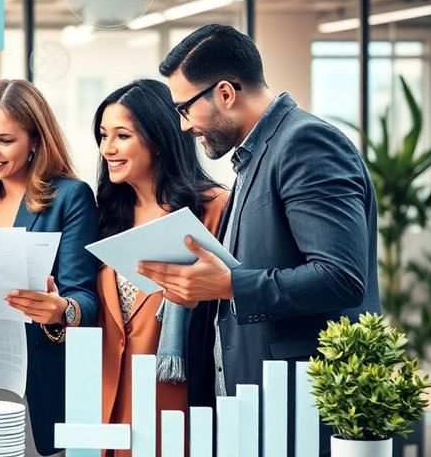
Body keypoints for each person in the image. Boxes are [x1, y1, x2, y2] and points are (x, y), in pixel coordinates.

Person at [139, 24, 381, 454]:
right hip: (261, 397)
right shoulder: (257, 154)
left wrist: (230, 284)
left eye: (185, 108)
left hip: (303, 404)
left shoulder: (305, 143)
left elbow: (341, 276)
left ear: (226, 93)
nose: (183, 125)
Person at [0, 79, 100, 456]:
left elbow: (85, 300)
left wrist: (60, 310)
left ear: (35, 140)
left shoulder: (69, 197)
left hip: (38, 376)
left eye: (5, 140)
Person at [92, 79, 228, 457]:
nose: (108, 149)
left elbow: (230, 299)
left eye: (122, 135)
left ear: (158, 138)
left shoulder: (214, 208)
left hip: (175, 404)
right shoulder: (106, 215)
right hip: (107, 403)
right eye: (103, 135)